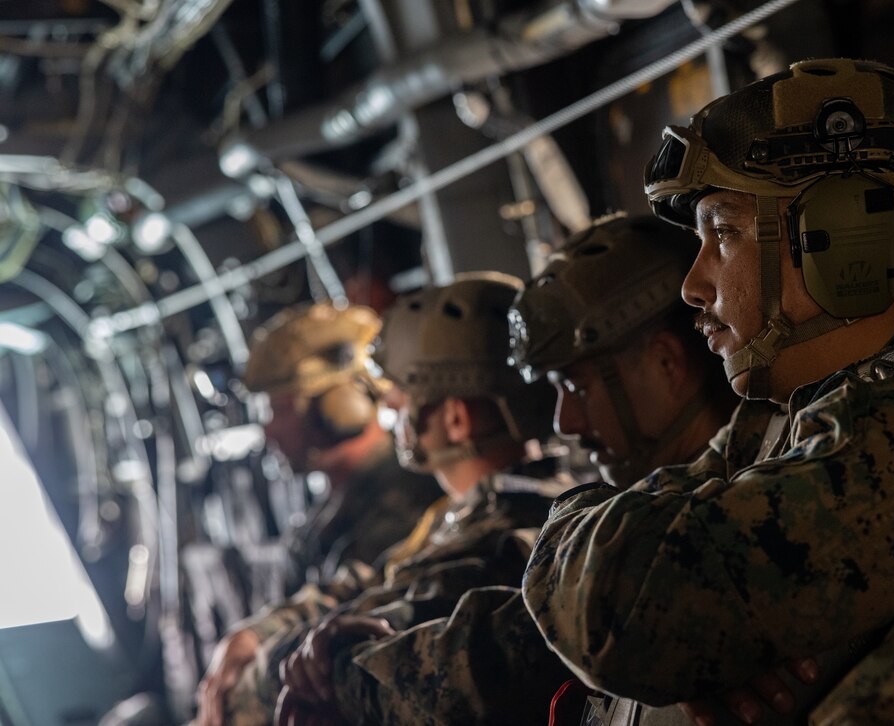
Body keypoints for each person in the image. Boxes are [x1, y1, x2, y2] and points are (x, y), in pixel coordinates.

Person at [521, 57, 894, 724]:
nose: (694, 286)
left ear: (852, 234)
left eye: (723, 234)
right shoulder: (802, 409)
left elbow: (628, 606)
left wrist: (575, 531)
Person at [276, 214, 747, 726]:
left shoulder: (716, 509)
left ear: (666, 364)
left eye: (579, 387)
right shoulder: (662, 505)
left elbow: (507, 649)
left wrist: (344, 679)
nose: (564, 422)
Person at [228, 273, 567, 725]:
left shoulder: (505, 530)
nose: (391, 410)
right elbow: (381, 577)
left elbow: (412, 608)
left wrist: (303, 657)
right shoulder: (459, 511)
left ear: (456, 419)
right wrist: (262, 635)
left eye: (406, 398)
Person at [243, 302, 442, 580]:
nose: (270, 431)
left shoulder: (410, 497)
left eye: (282, 410)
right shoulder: (327, 513)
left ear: (340, 408)